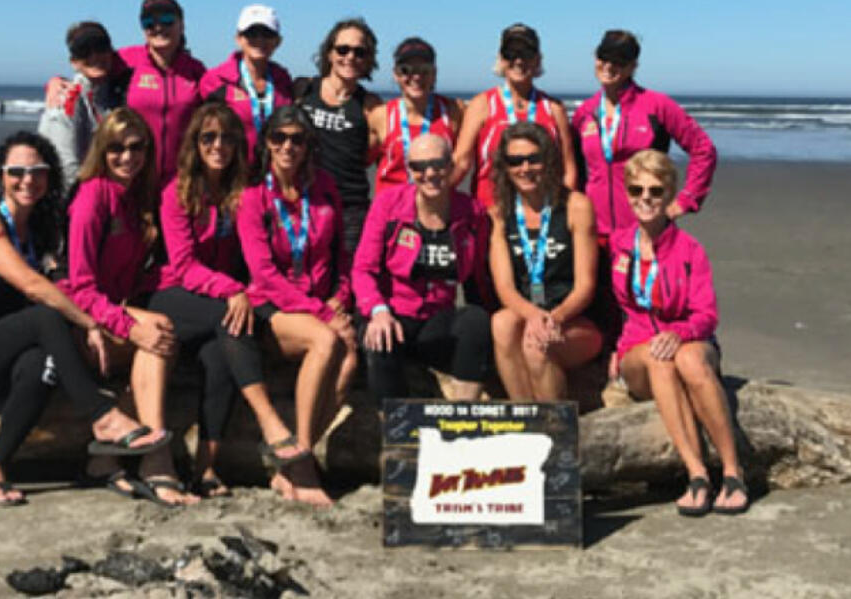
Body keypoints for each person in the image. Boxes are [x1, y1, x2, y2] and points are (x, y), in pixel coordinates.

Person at [0, 131, 165, 507]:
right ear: (1, 176)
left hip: (9, 357)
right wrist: (90, 323)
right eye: (17, 171)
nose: (28, 179)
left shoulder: (38, 231)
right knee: (46, 314)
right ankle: (103, 415)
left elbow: (60, 279)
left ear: (49, 176)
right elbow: (32, 286)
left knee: (42, 364)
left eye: (37, 171)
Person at [57, 108, 198, 507]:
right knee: (157, 334)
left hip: (115, 310)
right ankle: (156, 459)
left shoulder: (137, 198)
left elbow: (135, 277)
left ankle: (106, 460)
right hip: (81, 321)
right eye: (117, 148)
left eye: (137, 147)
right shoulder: (92, 196)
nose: (127, 157)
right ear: (102, 149)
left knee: (162, 327)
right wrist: (128, 323)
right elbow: (79, 286)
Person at [610, 149, 747, 517]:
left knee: (683, 357)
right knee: (658, 358)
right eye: (637, 190)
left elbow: (707, 314)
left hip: (691, 341)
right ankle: (697, 474)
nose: (646, 199)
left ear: (669, 194)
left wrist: (680, 332)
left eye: (655, 191)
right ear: (627, 193)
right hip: (638, 350)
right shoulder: (617, 245)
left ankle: (733, 472)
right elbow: (615, 306)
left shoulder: (689, 251)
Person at [236, 105, 357, 507]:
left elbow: (341, 253)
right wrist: (322, 314)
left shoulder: (323, 187)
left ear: (309, 145)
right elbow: (264, 274)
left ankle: (295, 458)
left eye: (298, 139)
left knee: (350, 357)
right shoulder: (254, 197)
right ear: (267, 143)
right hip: (272, 306)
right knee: (326, 341)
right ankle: (304, 467)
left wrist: (340, 296)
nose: (288, 146)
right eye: (279, 138)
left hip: (318, 304)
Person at [151, 102, 269, 499]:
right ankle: (270, 423)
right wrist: (232, 291)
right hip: (172, 295)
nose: (219, 145)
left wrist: (246, 290)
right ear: (195, 144)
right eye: (208, 137)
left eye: (227, 138)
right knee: (229, 320)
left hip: (219, 300)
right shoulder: (177, 192)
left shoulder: (244, 192)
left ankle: (206, 467)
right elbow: (183, 265)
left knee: (220, 359)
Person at [353, 133, 493, 405]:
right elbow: (363, 269)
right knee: (381, 341)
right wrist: (378, 311)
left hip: (435, 320)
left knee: (476, 320)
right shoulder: (388, 204)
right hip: (392, 314)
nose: (430, 173)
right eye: (419, 166)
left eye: (438, 164)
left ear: (451, 166)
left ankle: (462, 415)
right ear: (410, 170)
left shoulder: (471, 212)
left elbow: (476, 278)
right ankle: (396, 431)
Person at [489, 122, 602, 402]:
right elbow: (504, 288)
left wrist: (555, 318)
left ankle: (555, 428)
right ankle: (526, 415)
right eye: (515, 160)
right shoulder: (500, 214)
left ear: (548, 161)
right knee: (502, 322)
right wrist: (533, 316)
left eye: (533, 159)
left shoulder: (576, 206)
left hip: (573, 319)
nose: (525, 168)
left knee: (535, 343)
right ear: (505, 167)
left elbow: (585, 286)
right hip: (528, 313)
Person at [571, 30, 717, 240]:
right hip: (596, 235)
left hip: (646, 232)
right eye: (604, 58)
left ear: (633, 66)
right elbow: (572, 169)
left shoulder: (657, 106)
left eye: (619, 61)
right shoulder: (584, 113)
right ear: (595, 58)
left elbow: (704, 149)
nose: (609, 66)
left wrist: (685, 200)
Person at [452, 23, 577, 208]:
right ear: (501, 60)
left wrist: (564, 212)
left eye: (526, 54)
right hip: (492, 214)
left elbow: (568, 169)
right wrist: (435, 197)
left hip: (544, 215)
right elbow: (461, 161)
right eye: (511, 54)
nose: (518, 61)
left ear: (537, 60)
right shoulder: (481, 105)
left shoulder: (554, 109)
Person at [294, 18, 384, 253]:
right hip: (302, 203)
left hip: (350, 211)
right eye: (342, 49)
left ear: (368, 59)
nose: (350, 57)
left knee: (346, 284)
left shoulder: (371, 106)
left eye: (359, 52)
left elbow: (374, 154)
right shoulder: (303, 90)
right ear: (330, 53)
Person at [119, 0, 207, 188]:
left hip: (180, 182)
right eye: (149, 22)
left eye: (167, 20)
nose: (158, 28)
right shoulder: (126, 61)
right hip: (133, 177)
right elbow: (89, 70)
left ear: (182, 25)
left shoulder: (196, 70)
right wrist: (57, 82)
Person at [39, 21, 133, 182]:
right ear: (74, 62)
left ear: (111, 52)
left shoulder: (117, 94)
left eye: (100, 47)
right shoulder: (66, 100)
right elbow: (65, 168)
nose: (94, 56)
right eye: (84, 51)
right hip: (76, 199)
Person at [200, 4, 293, 163]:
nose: (259, 40)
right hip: (232, 176)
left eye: (267, 34)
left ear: (278, 41)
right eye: (251, 34)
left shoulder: (283, 80)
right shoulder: (215, 80)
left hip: (275, 175)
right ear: (238, 39)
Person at [368, 37, 463, 193]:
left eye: (423, 70)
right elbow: (359, 162)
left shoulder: (453, 111)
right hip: (392, 209)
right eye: (406, 70)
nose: (416, 77)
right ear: (396, 75)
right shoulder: (381, 115)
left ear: (434, 73)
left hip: (437, 208)